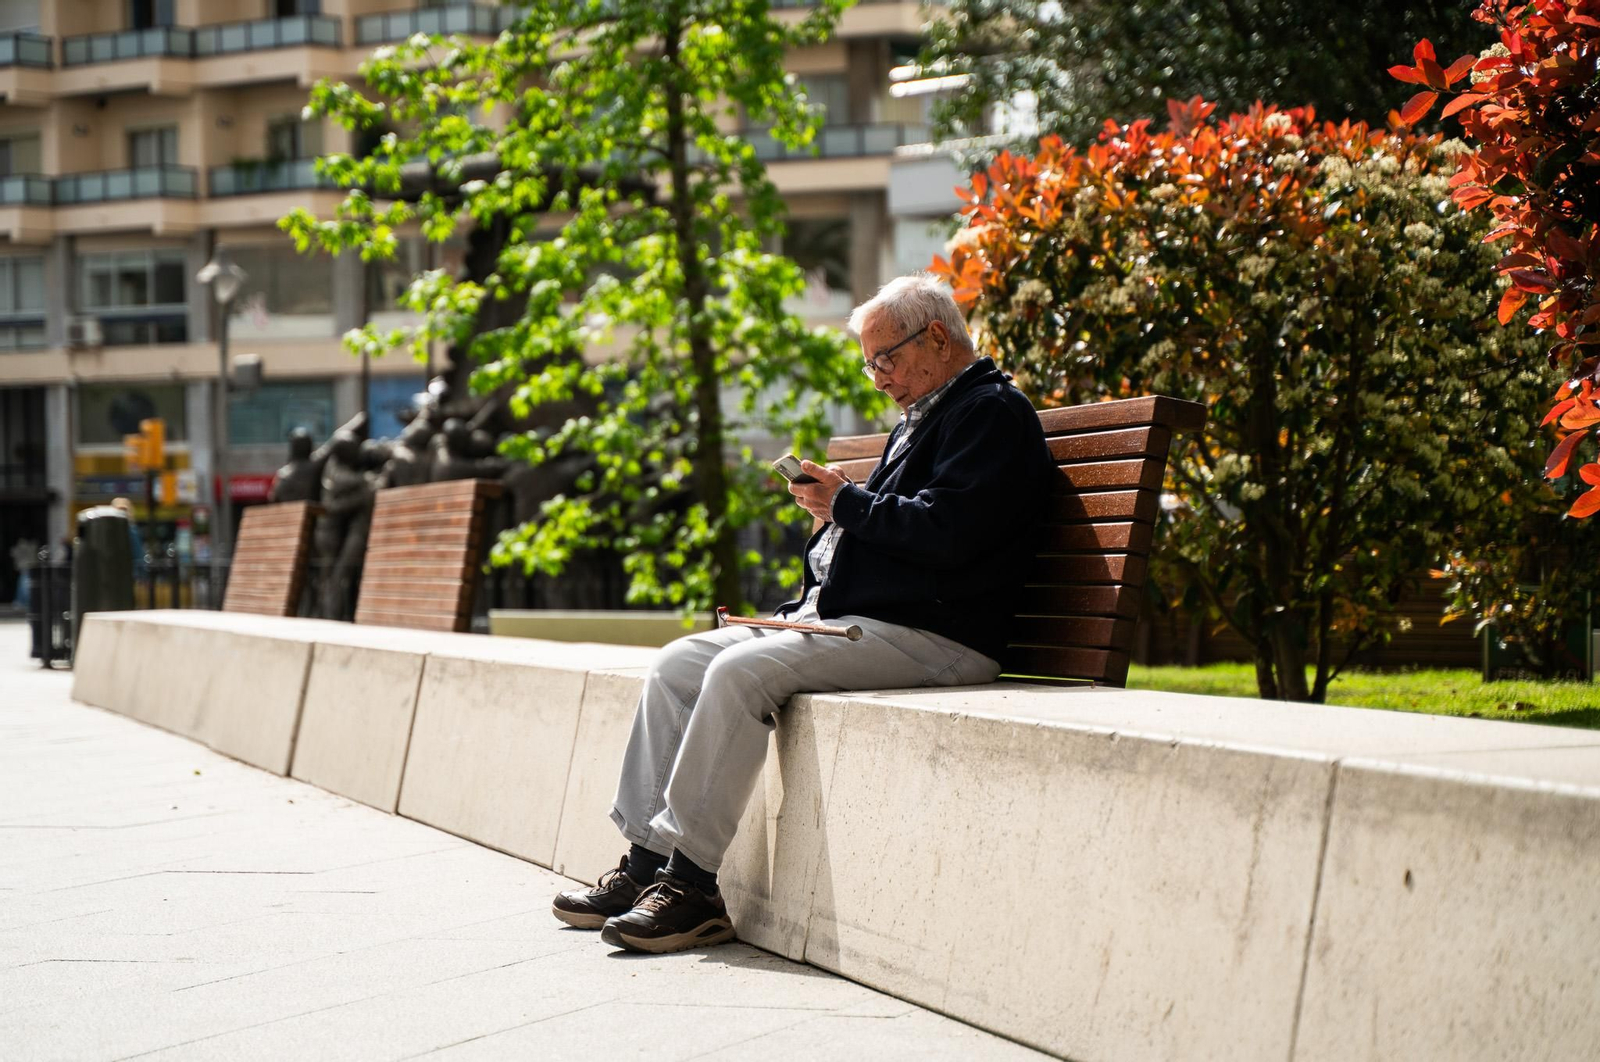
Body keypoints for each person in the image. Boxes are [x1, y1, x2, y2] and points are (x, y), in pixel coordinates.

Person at [552, 274, 1053, 953]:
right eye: (869, 363)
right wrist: (835, 515)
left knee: (739, 674)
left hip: (940, 634)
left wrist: (845, 504)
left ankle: (693, 884)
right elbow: (894, 530)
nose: (878, 378)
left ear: (938, 337)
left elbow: (947, 534)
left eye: (887, 358)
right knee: (677, 664)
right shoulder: (928, 415)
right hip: (866, 620)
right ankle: (644, 865)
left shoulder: (990, 412)